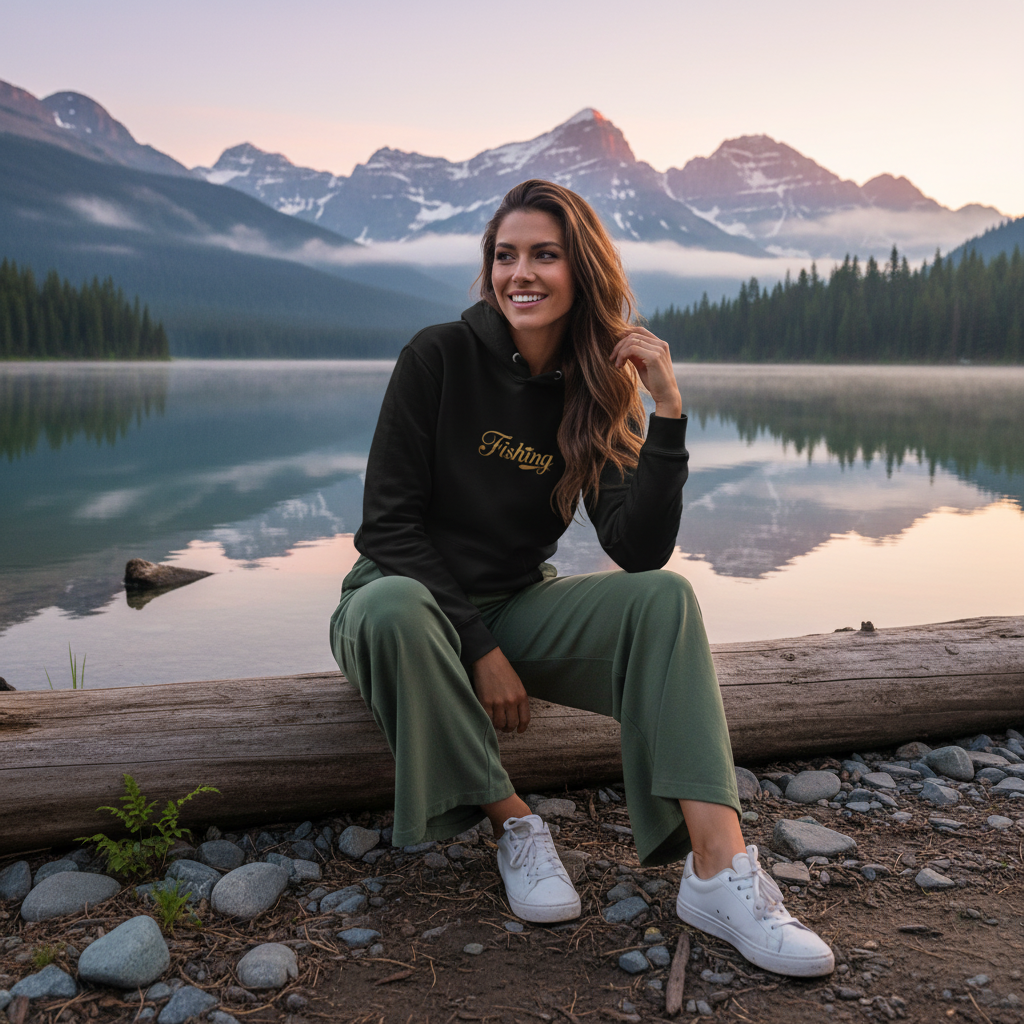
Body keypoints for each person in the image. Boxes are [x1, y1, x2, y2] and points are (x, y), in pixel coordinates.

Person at [329, 179, 834, 978]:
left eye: (543, 255)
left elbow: (639, 552)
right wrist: (482, 650)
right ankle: (515, 823)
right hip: (399, 598)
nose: (519, 274)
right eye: (505, 256)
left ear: (581, 272)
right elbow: (387, 527)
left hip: (517, 602)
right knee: (395, 606)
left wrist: (665, 412)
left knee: (665, 600)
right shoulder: (438, 356)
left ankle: (719, 870)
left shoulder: (596, 389)